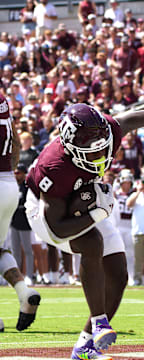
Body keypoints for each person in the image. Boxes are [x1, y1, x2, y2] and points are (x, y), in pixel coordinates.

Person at [25, 88, 144, 358]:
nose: (100, 156)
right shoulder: (54, 166)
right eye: (91, 153)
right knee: (92, 243)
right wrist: (96, 214)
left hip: (83, 195)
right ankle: (99, 322)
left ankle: (85, 345)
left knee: (118, 274)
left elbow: (125, 121)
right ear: (70, 146)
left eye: (102, 148)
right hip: (44, 212)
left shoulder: (104, 130)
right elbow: (56, 228)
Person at [0, 93, 40, 332]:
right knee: (1, 249)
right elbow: (15, 143)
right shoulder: (2, 99)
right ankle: (25, 292)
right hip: (8, 184)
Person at [10, 163, 34, 285]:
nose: (16, 175)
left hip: (25, 222)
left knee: (28, 250)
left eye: (18, 173)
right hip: (13, 221)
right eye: (15, 173)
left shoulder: (27, 187)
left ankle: (29, 275)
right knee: (15, 251)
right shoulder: (12, 186)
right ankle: (16, 277)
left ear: (24, 174)